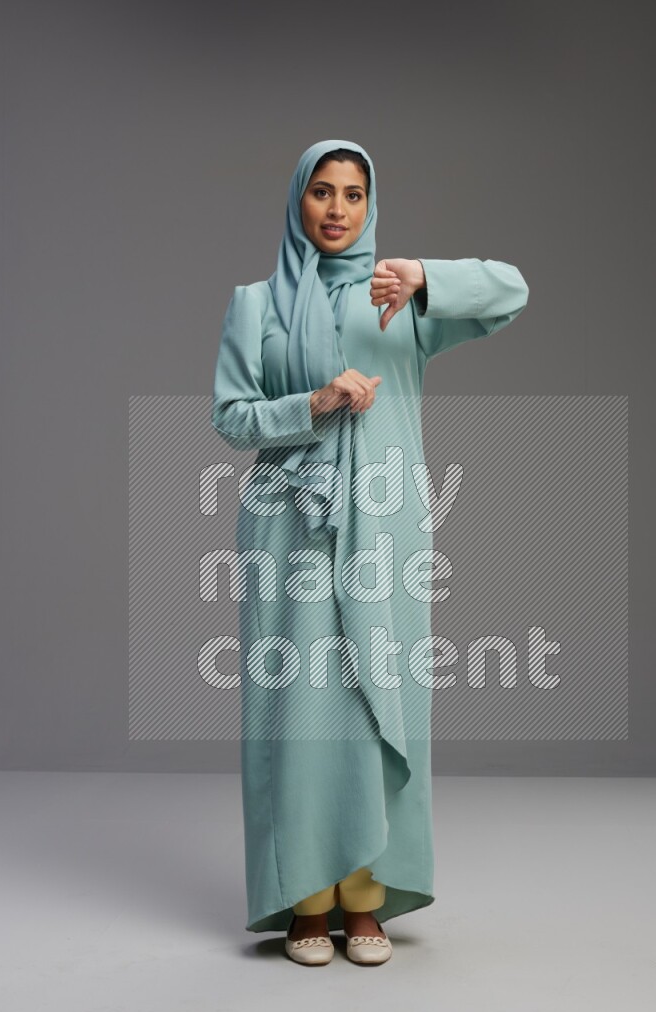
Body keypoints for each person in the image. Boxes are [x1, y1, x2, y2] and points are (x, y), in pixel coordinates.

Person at [211, 139, 529, 966]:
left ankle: (367, 895)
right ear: (298, 200)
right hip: (290, 526)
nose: (338, 209)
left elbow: (510, 292)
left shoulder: (396, 298)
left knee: (376, 703)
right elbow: (232, 417)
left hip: (385, 528)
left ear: (370, 203)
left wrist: (425, 276)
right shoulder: (257, 303)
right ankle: (306, 901)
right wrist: (312, 402)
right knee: (301, 710)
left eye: (354, 193)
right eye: (322, 192)